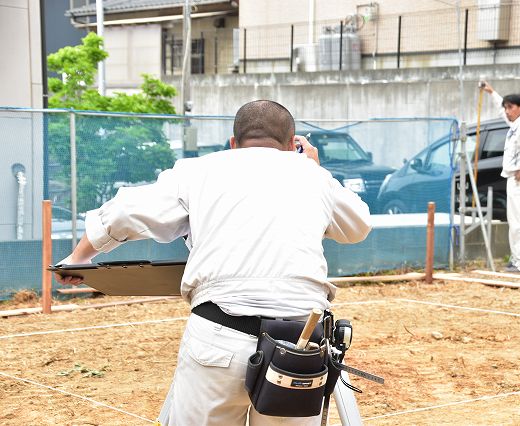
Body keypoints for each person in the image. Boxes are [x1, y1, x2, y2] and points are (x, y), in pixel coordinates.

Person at [54, 100, 372, 425]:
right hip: (297, 344)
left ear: (233, 144)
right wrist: (315, 168)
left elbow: (124, 212)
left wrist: (79, 259)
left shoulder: (200, 170)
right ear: (294, 145)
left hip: (219, 336)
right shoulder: (313, 176)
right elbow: (358, 225)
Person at [481, 81, 520, 273]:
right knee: (515, 221)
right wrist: (492, 92)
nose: (507, 111)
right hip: (514, 179)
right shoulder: (516, 123)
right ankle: (518, 258)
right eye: (506, 107)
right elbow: (502, 112)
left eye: (511, 107)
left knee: (519, 222)